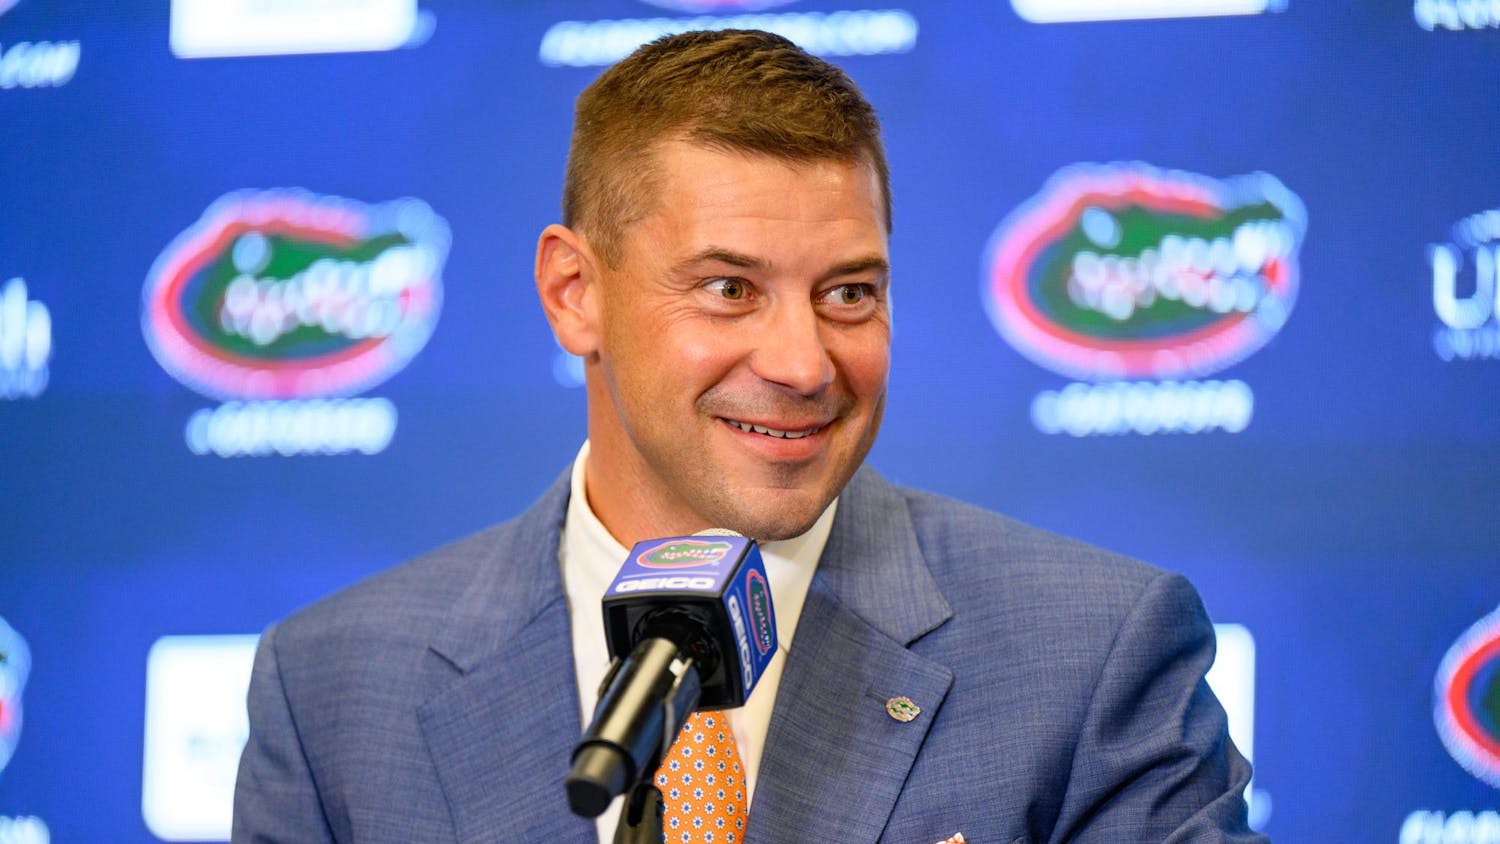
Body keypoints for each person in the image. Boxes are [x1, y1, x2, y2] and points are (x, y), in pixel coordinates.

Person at [233, 29, 1265, 844]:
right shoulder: (331, 691)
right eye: (729, 289)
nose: (804, 363)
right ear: (574, 292)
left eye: (849, 293)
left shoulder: (1095, 654)